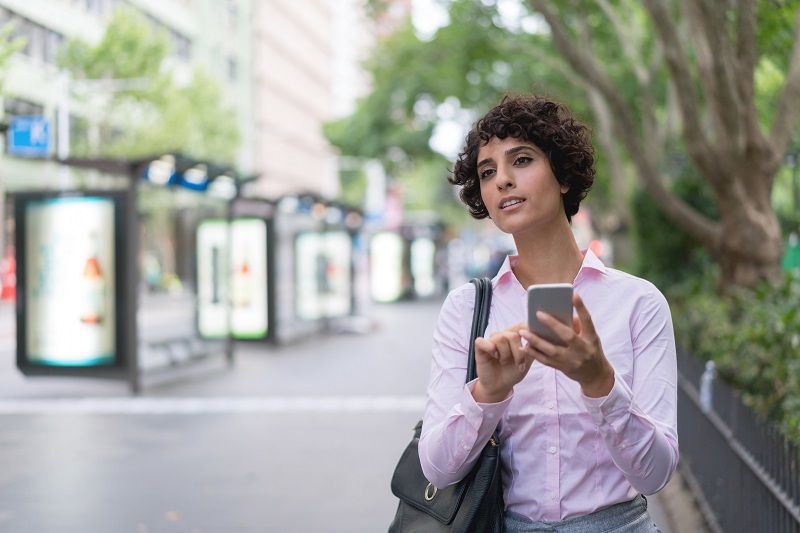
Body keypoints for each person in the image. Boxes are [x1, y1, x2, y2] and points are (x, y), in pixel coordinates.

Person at [419, 95, 677, 532]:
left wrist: (600, 382)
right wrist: (489, 392)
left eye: (521, 160)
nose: (502, 180)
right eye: (487, 172)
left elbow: (655, 474)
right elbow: (438, 470)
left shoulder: (638, 302)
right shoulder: (466, 308)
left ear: (561, 175)